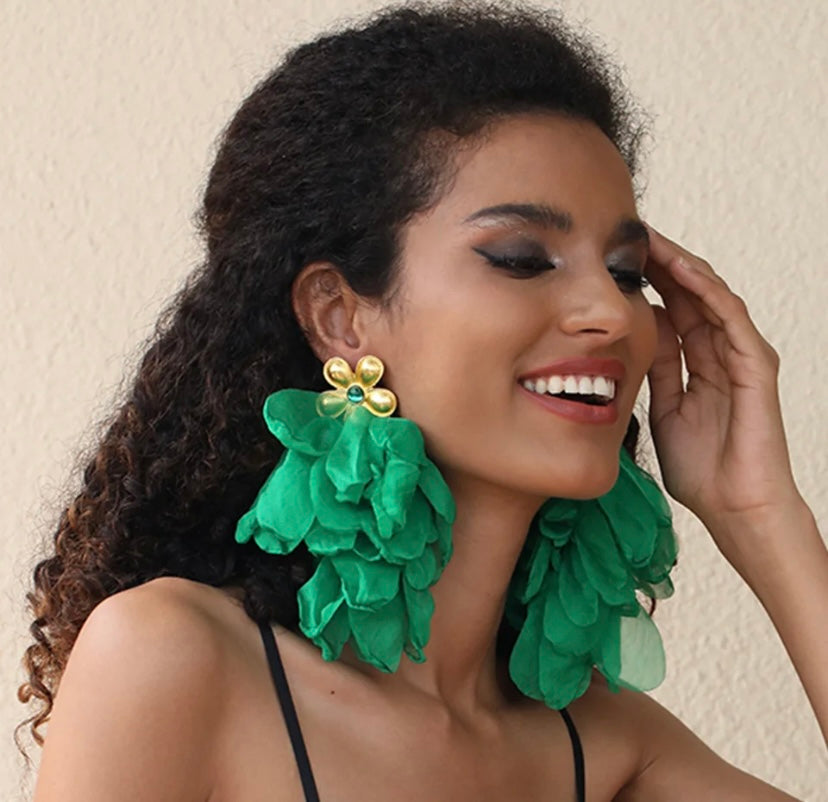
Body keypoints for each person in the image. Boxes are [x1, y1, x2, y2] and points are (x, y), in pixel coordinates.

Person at [18, 3, 826, 800]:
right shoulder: (175, 658)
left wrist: (761, 514)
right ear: (340, 318)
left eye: (625, 272)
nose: (612, 314)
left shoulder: (610, 744)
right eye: (522, 258)